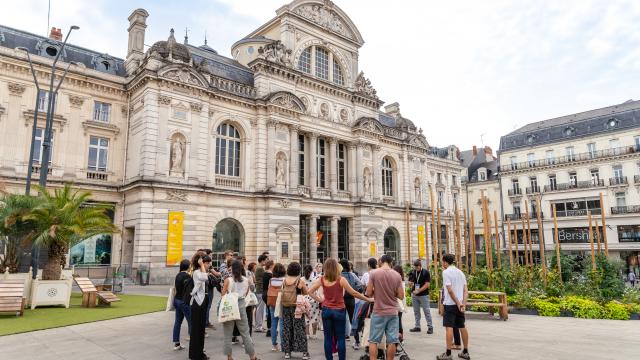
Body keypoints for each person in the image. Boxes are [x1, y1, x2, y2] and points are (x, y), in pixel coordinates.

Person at [307, 258, 372, 360]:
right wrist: (368, 299)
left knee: (328, 338)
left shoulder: (322, 279)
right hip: (339, 311)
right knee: (341, 338)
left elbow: (309, 291)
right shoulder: (341, 279)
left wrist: (320, 300)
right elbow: (354, 293)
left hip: (326, 310)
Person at [366, 254, 404, 360]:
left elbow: (368, 293)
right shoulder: (397, 275)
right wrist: (392, 292)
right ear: (391, 263)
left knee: (373, 341)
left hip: (378, 312)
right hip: (393, 313)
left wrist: (377, 291)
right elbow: (401, 296)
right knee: (392, 341)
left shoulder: (374, 273)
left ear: (381, 262)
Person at [220, 259, 260, 360]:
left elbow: (223, 294)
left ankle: (229, 357)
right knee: (245, 333)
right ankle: (252, 356)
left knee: (228, 333)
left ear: (232, 269)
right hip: (241, 306)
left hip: (230, 306)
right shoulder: (247, 280)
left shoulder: (228, 280)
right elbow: (246, 294)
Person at [281, 262, 321, 360]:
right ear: (298, 270)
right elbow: (306, 292)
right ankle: (304, 353)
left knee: (287, 329)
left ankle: (287, 352)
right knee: (299, 329)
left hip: (286, 306)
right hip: (297, 308)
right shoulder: (299, 281)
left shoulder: (284, 280)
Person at [437, 254, 470, 360]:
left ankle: (448, 353)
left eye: (442, 262)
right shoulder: (461, 273)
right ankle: (465, 351)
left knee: (449, 327)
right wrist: (462, 304)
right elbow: (466, 291)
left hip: (451, 304)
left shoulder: (446, 272)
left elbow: (450, 290)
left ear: (445, 262)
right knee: (462, 326)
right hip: (460, 304)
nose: (442, 264)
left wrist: (457, 303)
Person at [189, 253, 212, 360]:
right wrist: (202, 264)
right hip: (198, 303)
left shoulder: (201, 271)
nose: (208, 265)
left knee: (201, 329)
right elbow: (204, 277)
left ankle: (199, 353)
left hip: (202, 302)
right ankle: (195, 354)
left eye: (208, 263)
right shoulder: (197, 272)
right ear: (201, 263)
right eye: (207, 263)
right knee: (197, 329)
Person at [339, 259, 363, 347]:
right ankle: (357, 341)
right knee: (353, 320)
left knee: (340, 321)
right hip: (351, 299)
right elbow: (360, 285)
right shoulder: (352, 274)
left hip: (340, 300)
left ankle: (340, 341)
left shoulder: (338, 275)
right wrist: (354, 290)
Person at [408, 259, 434, 334]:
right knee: (416, 311)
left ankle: (430, 327)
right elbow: (410, 282)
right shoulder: (412, 272)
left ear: (420, 266)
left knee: (426, 311)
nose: (416, 269)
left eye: (417, 267)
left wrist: (419, 290)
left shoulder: (425, 272)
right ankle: (417, 326)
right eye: (415, 267)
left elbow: (427, 284)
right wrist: (410, 284)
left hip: (424, 295)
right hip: (415, 295)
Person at [172, 259, 192, 351]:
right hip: (184, 302)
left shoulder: (178, 275)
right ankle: (194, 343)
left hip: (177, 300)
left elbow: (175, 288)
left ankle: (176, 343)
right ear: (188, 266)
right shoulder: (187, 276)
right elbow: (189, 291)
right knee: (191, 322)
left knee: (177, 322)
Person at [268, 262, 286, 351]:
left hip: (273, 302)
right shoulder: (284, 280)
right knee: (282, 324)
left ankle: (274, 345)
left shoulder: (271, 280)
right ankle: (283, 345)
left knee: (273, 324)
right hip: (282, 303)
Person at [303, 264, 321, 339]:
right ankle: (314, 334)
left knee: (305, 318)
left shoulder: (301, 279)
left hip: (304, 300)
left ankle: (307, 334)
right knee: (315, 317)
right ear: (311, 271)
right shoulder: (316, 279)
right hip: (314, 299)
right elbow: (318, 290)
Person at [254, 254, 268, 332]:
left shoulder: (259, 268)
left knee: (260, 309)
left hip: (259, 290)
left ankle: (259, 326)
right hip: (260, 290)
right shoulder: (260, 269)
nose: (267, 261)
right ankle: (258, 327)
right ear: (262, 260)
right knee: (260, 309)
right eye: (266, 260)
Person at [392, 265, 406, 343]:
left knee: (398, 322)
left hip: (397, 304)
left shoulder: (398, 281)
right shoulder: (402, 281)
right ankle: (401, 338)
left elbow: (400, 294)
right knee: (398, 321)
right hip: (399, 304)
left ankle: (400, 339)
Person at [262, 259, 274, 338]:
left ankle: (269, 329)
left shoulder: (264, 274)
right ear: (270, 266)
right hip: (269, 293)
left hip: (264, 293)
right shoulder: (270, 275)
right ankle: (270, 329)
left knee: (268, 311)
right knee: (271, 312)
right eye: (273, 265)